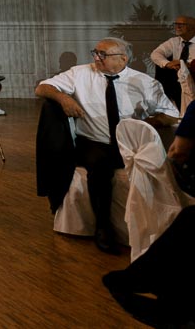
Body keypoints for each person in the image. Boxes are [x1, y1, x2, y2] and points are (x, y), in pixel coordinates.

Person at [36, 37, 178, 254]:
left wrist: (146, 123)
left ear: (123, 58)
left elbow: (170, 114)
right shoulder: (80, 73)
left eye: (103, 54)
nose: (96, 58)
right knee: (99, 167)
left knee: (154, 165)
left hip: (129, 142)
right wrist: (63, 99)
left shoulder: (144, 82)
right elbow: (42, 88)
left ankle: (156, 230)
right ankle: (103, 227)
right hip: (94, 141)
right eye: (95, 52)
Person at [150, 14, 195, 111]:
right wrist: (167, 63)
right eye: (176, 24)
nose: (177, 27)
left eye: (181, 24)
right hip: (177, 78)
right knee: (163, 71)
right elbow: (155, 54)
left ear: (192, 27)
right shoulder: (174, 41)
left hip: (193, 76)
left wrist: (185, 63)